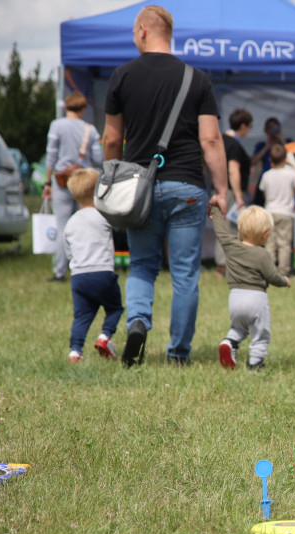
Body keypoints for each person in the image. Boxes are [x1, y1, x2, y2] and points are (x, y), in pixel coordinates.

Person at [102, 5, 228, 367]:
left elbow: (112, 139)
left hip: (138, 188)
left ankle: (138, 322)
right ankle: (178, 354)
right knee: (185, 272)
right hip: (187, 184)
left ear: (142, 31)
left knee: (142, 265)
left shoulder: (122, 76)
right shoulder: (197, 78)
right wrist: (221, 188)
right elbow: (211, 141)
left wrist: (110, 177)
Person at [214, 205, 290, 371]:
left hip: (235, 298)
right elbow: (272, 277)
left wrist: (215, 212)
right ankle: (255, 364)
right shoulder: (262, 254)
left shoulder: (231, 246)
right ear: (265, 235)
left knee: (238, 328)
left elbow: (220, 231)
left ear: (240, 229)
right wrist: (284, 281)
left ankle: (228, 342)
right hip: (256, 299)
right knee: (260, 333)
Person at [62, 169, 123, 364]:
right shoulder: (103, 216)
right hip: (102, 273)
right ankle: (105, 337)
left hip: (78, 276)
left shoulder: (70, 222)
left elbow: (68, 251)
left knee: (81, 315)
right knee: (114, 309)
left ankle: (75, 351)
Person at [42, 91, 104, 283]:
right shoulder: (90, 130)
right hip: (83, 183)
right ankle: (85, 267)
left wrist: (47, 182)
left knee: (62, 227)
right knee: (86, 225)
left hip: (61, 182)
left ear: (66, 107)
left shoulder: (56, 125)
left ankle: (60, 271)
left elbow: (50, 156)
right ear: (83, 109)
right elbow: (98, 159)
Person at [213, 108, 254, 278]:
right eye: (250, 126)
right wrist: (239, 197)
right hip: (230, 192)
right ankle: (224, 267)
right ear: (243, 125)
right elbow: (233, 170)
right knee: (230, 230)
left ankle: (222, 267)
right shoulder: (234, 144)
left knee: (221, 228)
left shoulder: (220, 140)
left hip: (216, 189)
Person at [259, 143, 295, 275]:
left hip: (269, 212)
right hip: (286, 213)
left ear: (270, 160)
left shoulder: (266, 175)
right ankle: (284, 272)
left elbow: (264, 193)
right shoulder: (291, 174)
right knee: (284, 244)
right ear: (285, 159)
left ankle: (270, 271)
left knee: (270, 243)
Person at [250, 117, 283, 206]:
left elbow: (292, 155)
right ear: (265, 130)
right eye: (270, 127)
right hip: (266, 178)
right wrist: (267, 146)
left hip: (282, 179)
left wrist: (281, 139)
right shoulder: (261, 145)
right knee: (260, 205)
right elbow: (253, 162)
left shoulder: (286, 143)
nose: (273, 130)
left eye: (275, 127)